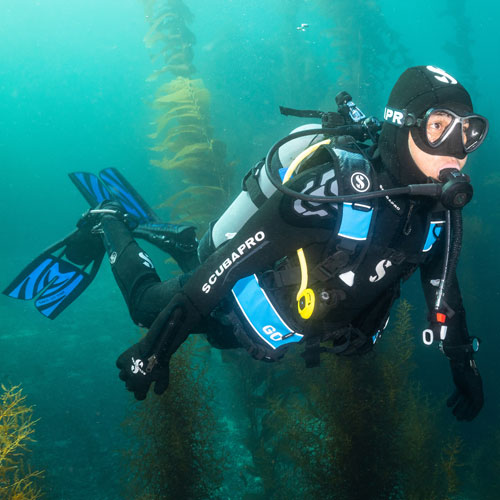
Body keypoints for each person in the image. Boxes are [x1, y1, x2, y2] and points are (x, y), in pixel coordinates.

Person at [90, 65, 488, 421]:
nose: (457, 150)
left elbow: (444, 293)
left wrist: (463, 365)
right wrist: (155, 349)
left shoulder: (440, 212)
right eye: (439, 127)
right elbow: (224, 268)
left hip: (280, 327)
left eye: (469, 131)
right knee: (145, 308)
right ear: (402, 126)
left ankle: (181, 241)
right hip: (234, 292)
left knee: (217, 333)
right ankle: (110, 221)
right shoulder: (329, 193)